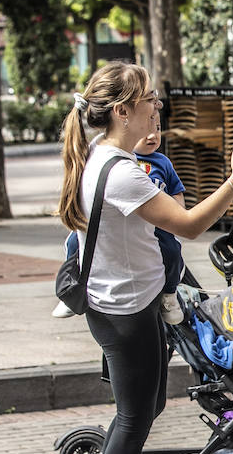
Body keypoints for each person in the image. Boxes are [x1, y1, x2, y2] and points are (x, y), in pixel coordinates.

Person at [60, 62, 233, 454]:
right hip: (125, 311)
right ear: (123, 111)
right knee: (132, 419)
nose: (156, 105)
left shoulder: (105, 159)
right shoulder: (121, 171)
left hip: (126, 304)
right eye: (148, 98)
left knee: (146, 408)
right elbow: (189, 225)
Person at [53, 124, 187, 323]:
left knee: (172, 251)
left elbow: (176, 190)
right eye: (147, 127)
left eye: (157, 129)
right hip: (115, 225)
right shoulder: (119, 161)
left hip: (153, 224)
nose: (153, 135)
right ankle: (73, 287)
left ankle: (169, 294)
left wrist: (177, 212)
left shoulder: (163, 162)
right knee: (75, 243)